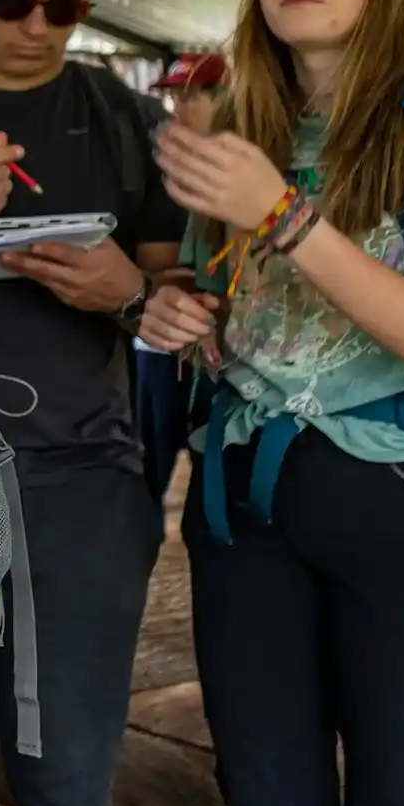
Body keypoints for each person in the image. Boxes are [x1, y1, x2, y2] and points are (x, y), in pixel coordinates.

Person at [141, 0, 404, 806]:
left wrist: (284, 216)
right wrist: (185, 311)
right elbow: (230, 304)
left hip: (401, 495)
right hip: (244, 505)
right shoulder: (240, 134)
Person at [0, 0, 187, 806]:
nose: (40, 26)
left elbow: (177, 305)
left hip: (83, 480)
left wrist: (126, 291)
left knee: (72, 779)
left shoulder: (122, 118)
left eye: (67, 6)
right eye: (15, 0)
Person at [134, 51, 231, 511]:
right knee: (149, 466)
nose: (180, 107)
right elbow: (155, 264)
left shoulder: (249, 172)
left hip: (222, 350)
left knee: (213, 469)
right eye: (175, 96)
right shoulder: (162, 168)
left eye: (191, 96)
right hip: (161, 343)